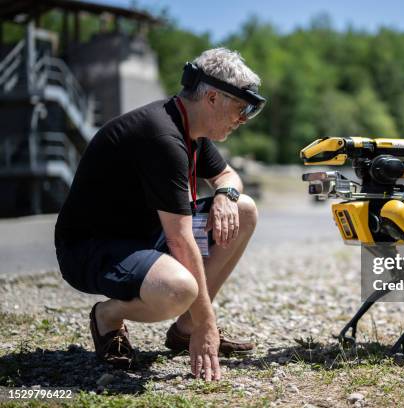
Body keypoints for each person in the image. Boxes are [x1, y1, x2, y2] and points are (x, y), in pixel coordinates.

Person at [54, 48, 266, 381]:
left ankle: (185, 328)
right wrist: (208, 326)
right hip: (91, 247)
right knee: (179, 289)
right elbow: (180, 240)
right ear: (212, 98)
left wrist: (226, 194)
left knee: (244, 209)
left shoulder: (190, 127)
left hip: (145, 236)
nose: (242, 119)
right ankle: (108, 316)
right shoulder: (162, 137)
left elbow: (228, 176)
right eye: (241, 108)